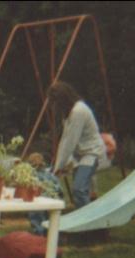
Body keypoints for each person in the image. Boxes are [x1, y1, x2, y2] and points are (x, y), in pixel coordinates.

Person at [48, 81, 107, 209]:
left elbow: (70, 141)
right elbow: (64, 140)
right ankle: (88, 222)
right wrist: (58, 164)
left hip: (92, 153)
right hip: (80, 154)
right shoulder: (69, 113)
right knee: (83, 191)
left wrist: (59, 166)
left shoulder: (78, 111)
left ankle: (87, 224)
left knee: (79, 189)